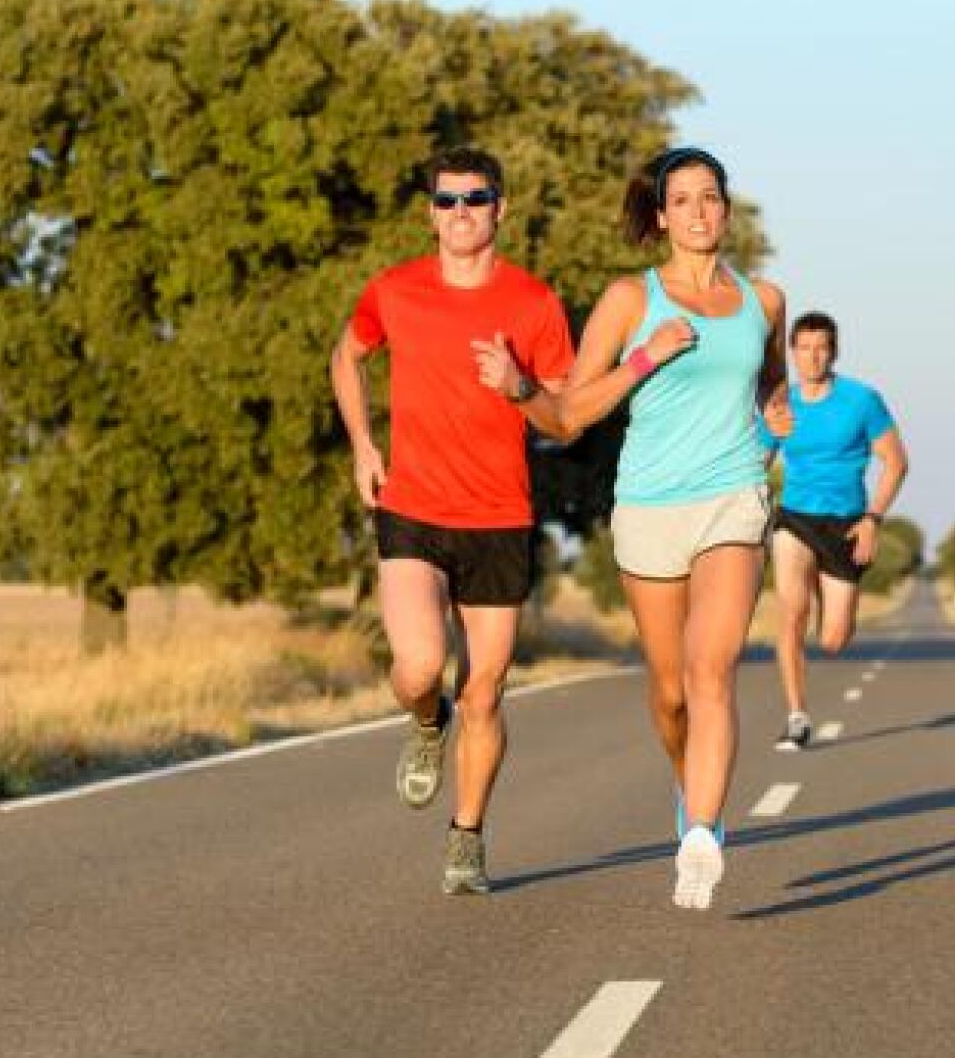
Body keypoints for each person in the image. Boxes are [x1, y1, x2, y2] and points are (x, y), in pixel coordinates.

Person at [473, 146, 791, 910]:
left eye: (709, 197)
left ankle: (703, 834)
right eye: (680, 200)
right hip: (648, 504)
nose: (697, 212)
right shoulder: (629, 299)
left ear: (726, 207)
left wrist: (774, 420)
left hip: (731, 497)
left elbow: (769, 378)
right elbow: (573, 414)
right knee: (672, 691)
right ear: (660, 216)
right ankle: (689, 784)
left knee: (712, 671)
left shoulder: (765, 299)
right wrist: (628, 361)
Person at [329, 147, 574, 896]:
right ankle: (425, 722)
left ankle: (466, 835)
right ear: (429, 212)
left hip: (498, 516)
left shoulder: (534, 303)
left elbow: (564, 417)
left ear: (500, 208)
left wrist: (517, 384)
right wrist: (364, 444)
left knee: (487, 692)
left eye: (475, 198)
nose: (460, 212)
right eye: (446, 201)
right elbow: (347, 354)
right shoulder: (395, 290)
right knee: (419, 666)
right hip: (412, 506)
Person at [763, 311, 908, 750]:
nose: (812, 357)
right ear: (792, 352)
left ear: (835, 352)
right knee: (791, 611)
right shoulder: (781, 404)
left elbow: (896, 462)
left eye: (821, 348)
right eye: (804, 348)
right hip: (795, 517)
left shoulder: (862, 401)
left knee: (833, 640)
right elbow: (759, 463)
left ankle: (826, 585)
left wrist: (873, 519)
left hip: (847, 524)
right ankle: (796, 715)